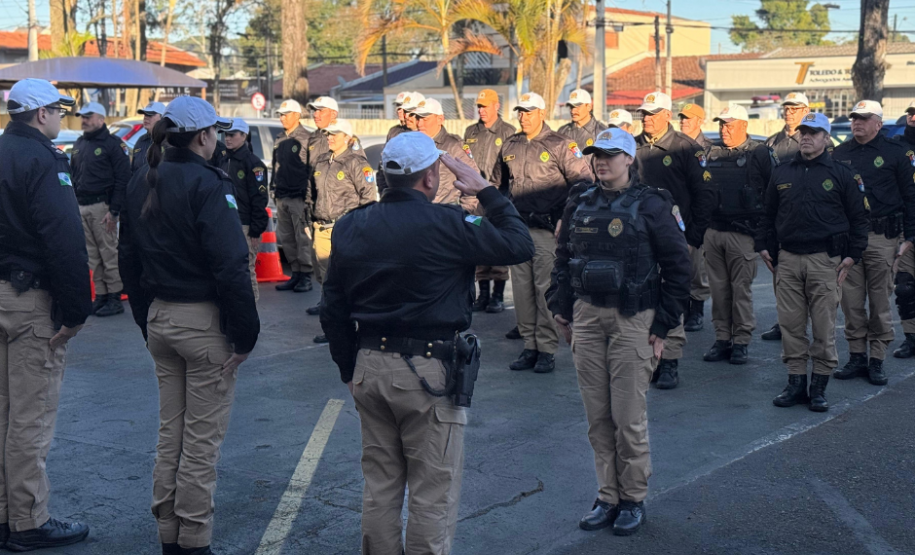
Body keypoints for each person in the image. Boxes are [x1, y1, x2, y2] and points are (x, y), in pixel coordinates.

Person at [321, 132, 534, 554]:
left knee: (380, 485)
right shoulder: (449, 224)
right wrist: (486, 190)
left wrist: (349, 368)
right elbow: (519, 244)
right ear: (431, 178)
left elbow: (333, 309)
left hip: (370, 364)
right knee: (432, 490)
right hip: (428, 371)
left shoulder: (351, 225)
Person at [119, 96, 260, 555]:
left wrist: (145, 320)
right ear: (203, 136)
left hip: (160, 316)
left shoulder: (142, 177)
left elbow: (127, 258)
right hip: (201, 323)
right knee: (200, 443)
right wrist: (245, 336)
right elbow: (231, 265)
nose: (218, 139)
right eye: (215, 131)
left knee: (171, 435)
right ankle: (194, 540)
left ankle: (169, 535)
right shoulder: (208, 183)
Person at [548, 128, 690, 537]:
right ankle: (607, 496)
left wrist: (663, 324)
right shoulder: (579, 200)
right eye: (596, 154)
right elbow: (563, 258)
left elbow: (679, 266)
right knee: (598, 417)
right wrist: (560, 307)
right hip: (587, 317)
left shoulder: (653, 204)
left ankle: (633, 498)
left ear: (629, 159)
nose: (601, 161)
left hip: (634, 319)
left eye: (611, 154)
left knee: (627, 417)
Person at [0, 78, 92, 551]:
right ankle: (28, 522)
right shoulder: (44, 158)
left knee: (3, 415)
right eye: (58, 110)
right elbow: (64, 240)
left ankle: (5, 514)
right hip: (29, 299)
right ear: (41, 114)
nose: (61, 117)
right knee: (30, 419)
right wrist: (76, 312)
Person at [757, 113, 868, 412]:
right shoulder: (782, 172)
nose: (806, 137)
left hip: (825, 260)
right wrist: (763, 245)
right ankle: (795, 384)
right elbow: (767, 214)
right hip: (788, 259)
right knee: (791, 326)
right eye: (803, 131)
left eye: (813, 132)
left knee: (823, 327)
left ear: (826, 138)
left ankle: (818, 387)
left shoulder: (842, 174)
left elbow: (859, 219)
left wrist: (853, 255)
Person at [490, 92, 593, 373]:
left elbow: (584, 184)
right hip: (518, 230)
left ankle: (546, 349)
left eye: (529, 111)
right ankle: (529, 346)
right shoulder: (510, 144)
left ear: (542, 113)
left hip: (548, 231)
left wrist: (564, 219)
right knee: (521, 292)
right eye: (520, 111)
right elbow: (498, 185)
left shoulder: (560, 144)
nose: (523, 116)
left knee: (545, 290)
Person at [832, 100, 915, 385]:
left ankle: (877, 359)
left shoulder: (896, 153)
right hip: (849, 239)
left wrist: (910, 237)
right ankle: (857, 357)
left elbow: (910, 197)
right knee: (851, 302)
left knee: (880, 302)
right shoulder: (839, 153)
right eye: (855, 118)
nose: (857, 122)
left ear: (878, 124)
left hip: (882, 237)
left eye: (864, 118)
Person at [634, 91, 712, 388]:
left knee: (671, 297)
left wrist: (693, 238)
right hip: (637, 240)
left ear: (667, 115)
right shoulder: (632, 146)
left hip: (675, 238)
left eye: (652, 113)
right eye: (644, 113)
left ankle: (669, 361)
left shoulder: (686, 148)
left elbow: (704, 196)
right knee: (640, 299)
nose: (646, 118)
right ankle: (648, 359)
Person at [700, 105, 771, 365]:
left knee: (740, 291)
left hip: (743, 233)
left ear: (744, 125)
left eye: (729, 125)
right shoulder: (711, 152)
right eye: (721, 124)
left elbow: (772, 195)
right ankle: (722, 339)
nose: (724, 129)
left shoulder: (759, 153)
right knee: (718, 291)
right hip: (714, 231)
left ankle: (741, 340)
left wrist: (764, 236)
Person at [305, 119, 375, 343]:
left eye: (335, 134)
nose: (330, 137)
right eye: (328, 133)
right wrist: (308, 220)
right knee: (325, 280)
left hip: (345, 229)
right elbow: (311, 193)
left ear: (347, 137)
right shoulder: (321, 161)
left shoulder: (356, 163)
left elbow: (368, 197)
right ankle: (334, 327)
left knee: (344, 280)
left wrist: (359, 227)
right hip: (321, 227)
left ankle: (351, 326)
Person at [71, 101, 131, 317]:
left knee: (108, 253)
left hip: (102, 207)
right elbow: (73, 175)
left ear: (101, 119)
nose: (84, 120)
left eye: (88, 116)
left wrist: (114, 211)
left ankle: (114, 297)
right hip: (83, 206)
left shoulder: (113, 144)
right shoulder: (79, 143)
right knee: (93, 256)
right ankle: (102, 296)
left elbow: (123, 179)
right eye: (82, 116)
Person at [761, 91, 811, 341]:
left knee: (809, 279)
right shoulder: (771, 142)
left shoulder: (814, 139)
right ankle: (784, 322)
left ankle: (805, 324)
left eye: (795, 108)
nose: (789, 113)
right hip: (780, 218)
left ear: (806, 111)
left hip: (808, 218)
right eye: (787, 108)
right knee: (781, 277)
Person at [464, 89, 517, 313]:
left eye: (485, 106)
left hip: (498, 198)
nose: (481, 110)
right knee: (478, 243)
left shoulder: (508, 131)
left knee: (497, 244)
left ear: (497, 106)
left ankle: (497, 296)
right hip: (475, 200)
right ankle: (483, 294)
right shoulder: (471, 132)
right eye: (479, 106)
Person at [219, 118, 269, 301]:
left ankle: (251, 309)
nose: (227, 138)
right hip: (227, 222)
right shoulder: (224, 159)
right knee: (228, 269)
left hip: (245, 225)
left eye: (232, 134)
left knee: (246, 270)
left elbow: (259, 198)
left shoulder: (253, 163)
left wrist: (255, 230)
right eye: (226, 134)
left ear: (244, 136)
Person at [271, 99, 314, 293]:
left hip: (299, 196)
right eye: (280, 114)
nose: (282, 118)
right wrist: (273, 188)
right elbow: (276, 166)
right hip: (282, 194)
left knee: (302, 238)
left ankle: (306, 275)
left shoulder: (306, 138)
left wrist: (308, 196)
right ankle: (295, 273)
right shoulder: (280, 138)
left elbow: (312, 169)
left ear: (297, 115)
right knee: (286, 237)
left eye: (285, 114)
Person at [892, 101, 915, 358]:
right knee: (905, 286)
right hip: (904, 228)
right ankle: (911, 337)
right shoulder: (895, 147)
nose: (913, 117)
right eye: (910, 113)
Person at [557, 89, 608, 159]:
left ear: (589, 107)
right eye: (571, 107)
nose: (573, 111)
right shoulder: (562, 132)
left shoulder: (602, 132)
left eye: (577, 106)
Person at [132, 101, 165, 175]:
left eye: (150, 115)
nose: (146, 117)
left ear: (162, 118)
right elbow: (133, 170)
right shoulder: (141, 141)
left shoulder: (168, 141)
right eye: (145, 114)